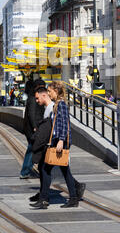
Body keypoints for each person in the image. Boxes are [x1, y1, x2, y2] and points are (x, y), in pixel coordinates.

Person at [30, 81, 85, 210]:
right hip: (57, 141)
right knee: (61, 171)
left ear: (56, 91)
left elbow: (64, 123)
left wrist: (60, 140)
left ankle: (46, 199)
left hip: (61, 142)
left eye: (50, 91)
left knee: (48, 169)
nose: (49, 94)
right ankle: (70, 198)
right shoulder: (58, 105)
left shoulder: (61, 105)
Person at [20, 79, 45, 179]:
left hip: (31, 128)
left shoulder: (32, 97)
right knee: (32, 149)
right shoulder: (33, 99)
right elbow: (32, 114)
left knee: (34, 149)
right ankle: (25, 171)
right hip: (32, 129)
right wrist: (35, 127)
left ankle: (32, 170)